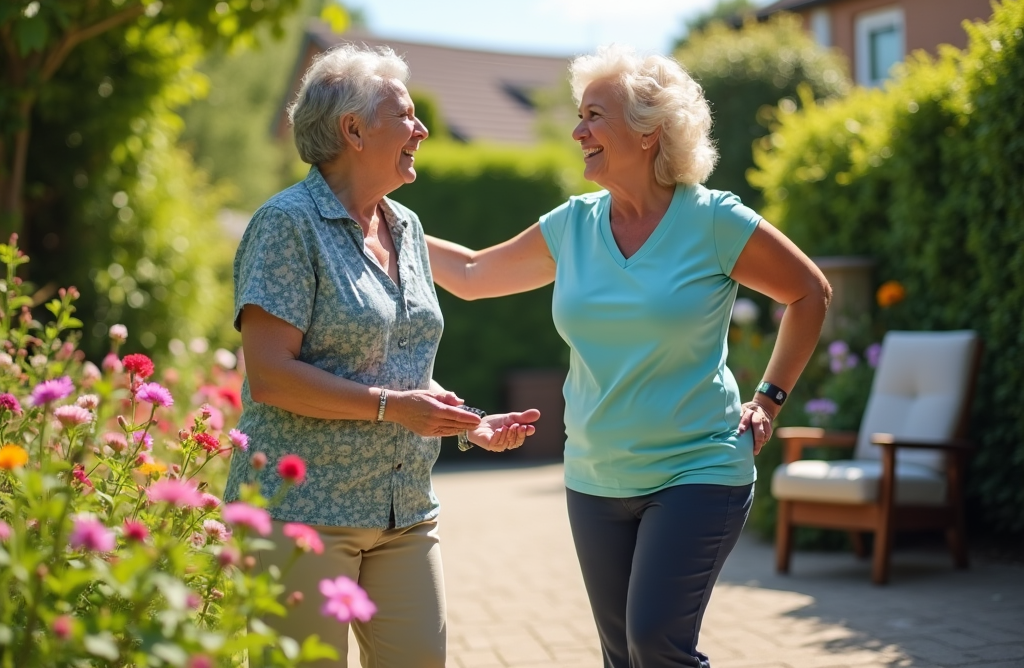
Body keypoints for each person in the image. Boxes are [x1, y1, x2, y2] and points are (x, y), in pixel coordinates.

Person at [426, 46, 830, 668]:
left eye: (594, 115)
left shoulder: (713, 221)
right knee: (623, 658)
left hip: (698, 469)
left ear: (648, 132)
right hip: (594, 477)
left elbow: (809, 293)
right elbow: (475, 272)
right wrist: (383, 222)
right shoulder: (573, 226)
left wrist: (769, 398)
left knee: (656, 646)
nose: (577, 130)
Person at [222, 44, 540, 668]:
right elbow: (269, 375)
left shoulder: (409, 229)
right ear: (353, 130)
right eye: (408, 115)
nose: (422, 129)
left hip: (404, 513)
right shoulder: (287, 224)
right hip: (304, 513)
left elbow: (398, 365)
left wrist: (470, 423)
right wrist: (395, 408)